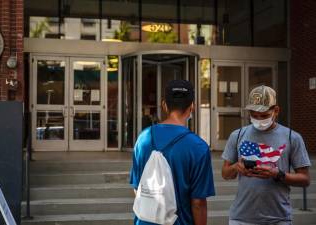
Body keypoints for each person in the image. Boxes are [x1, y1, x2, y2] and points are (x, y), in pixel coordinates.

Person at [222, 85, 311, 225]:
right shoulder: (237, 135)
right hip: (241, 218)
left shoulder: (292, 137)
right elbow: (225, 174)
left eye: (264, 115)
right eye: (253, 115)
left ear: (276, 111)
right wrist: (236, 167)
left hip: (279, 218)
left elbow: (305, 179)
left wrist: (277, 174)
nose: (258, 119)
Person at [130, 80, 215, 225]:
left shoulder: (144, 137)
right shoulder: (198, 147)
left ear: (164, 105)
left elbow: (137, 187)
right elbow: (198, 203)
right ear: (192, 107)